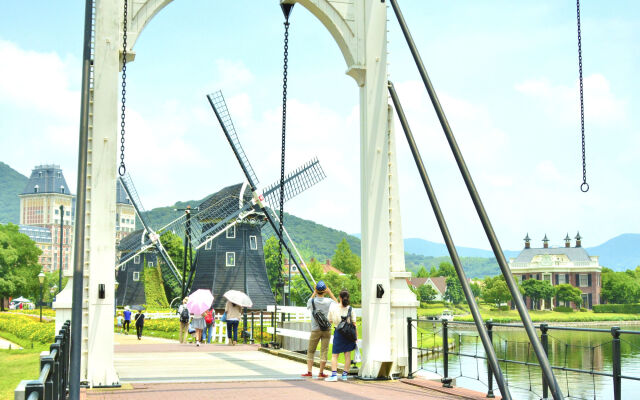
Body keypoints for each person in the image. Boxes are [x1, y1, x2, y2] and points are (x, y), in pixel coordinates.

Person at [302, 280, 338, 378]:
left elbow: (308, 304)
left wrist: (314, 293)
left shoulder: (311, 301)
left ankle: (309, 372)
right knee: (324, 351)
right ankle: (321, 373)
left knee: (311, 350)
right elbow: (337, 304)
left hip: (315, 329)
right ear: (324, 290)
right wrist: (330, 292)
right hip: (326, 329)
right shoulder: (329, 301)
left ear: (316, 290)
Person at [325, 290, 357, 382]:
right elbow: (354, 324)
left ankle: (334, 375)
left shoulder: (333, 308)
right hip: (349, 334)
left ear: (339, 297)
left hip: (338, 333)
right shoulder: (351, 309)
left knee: (335, 355)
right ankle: (344, 375)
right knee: (347, 355)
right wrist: (356, 338)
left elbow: (329, 320)